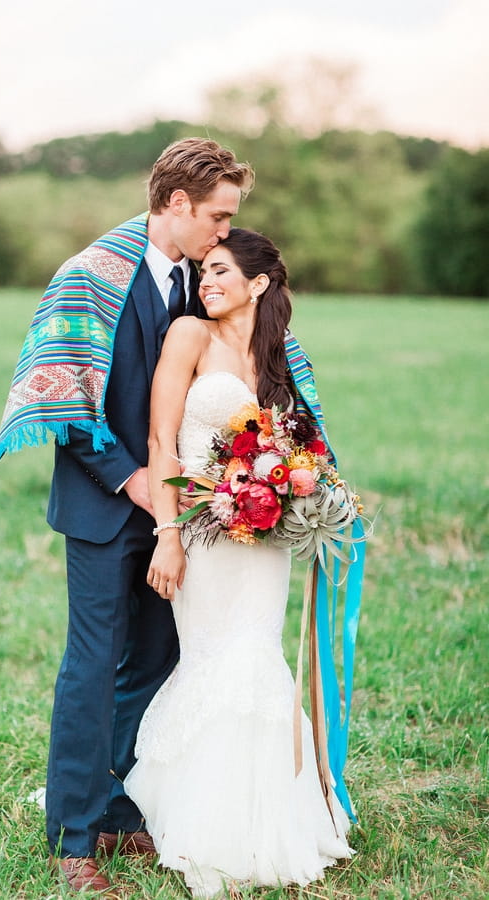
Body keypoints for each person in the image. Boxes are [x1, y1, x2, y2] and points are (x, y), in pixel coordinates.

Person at [0, 139, 254, 896]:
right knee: (93, 667)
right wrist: (131, 478)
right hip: (105, 508)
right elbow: (64, 399)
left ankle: (120, 807)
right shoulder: (90, 274)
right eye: (218, 215)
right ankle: (73, 836)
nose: (225, 233)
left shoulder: (205, 284)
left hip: (183, 516)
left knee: (158, 661)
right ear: (176, 203)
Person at [124, 228, 355, 897]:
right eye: (203, 272)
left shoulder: (282, 359)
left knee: (259, 657)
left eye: (221, 270)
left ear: (259, 282)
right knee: (213, 659)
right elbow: (160, 438)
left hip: (266, 542)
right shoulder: (188, 336)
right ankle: (198, 822)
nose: (207, 283)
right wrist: (167, 533)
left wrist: (305, 495)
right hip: (201, 534)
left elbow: (306, 448)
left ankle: (270, 824)